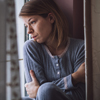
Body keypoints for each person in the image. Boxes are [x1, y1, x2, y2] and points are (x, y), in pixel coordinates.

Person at [19, 0, 85, 100]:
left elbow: (80, 95)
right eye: (26, 26)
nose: (29, 31)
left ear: (51, 18)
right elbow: (38, 95)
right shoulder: (30, 48)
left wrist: (40, 90)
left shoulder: (81, 47)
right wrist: (74, 78)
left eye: (32, 22)